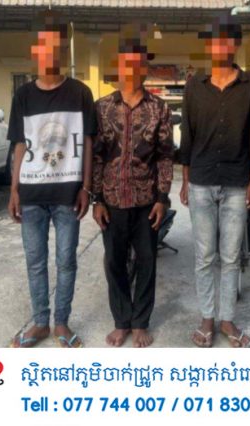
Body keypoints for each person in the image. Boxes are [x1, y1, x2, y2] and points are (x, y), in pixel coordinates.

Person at [7, 10, 96, 348]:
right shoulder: (23, 96)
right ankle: (40, 322)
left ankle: (61, 322)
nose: (50, 53)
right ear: (36, 52)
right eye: (43, 46)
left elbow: (87, 141)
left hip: (67, 194)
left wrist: (86, 187)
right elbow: (19, 144)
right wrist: (14, 190)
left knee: (66, 261)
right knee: (35, 261)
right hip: (31, 195)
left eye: (56, 46)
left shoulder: (80, 93)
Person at [179, 16, 250, 348]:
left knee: (230, 257)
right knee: (204, 256)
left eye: (227, 40)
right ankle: (206, 318)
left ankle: (227, 319)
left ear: (235, 44)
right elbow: (187, 134)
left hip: (236, 181)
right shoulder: (194, 87)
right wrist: (185, 180)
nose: (221, 47)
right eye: (215, 41)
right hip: (200, 181)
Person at [92, 24, 174, 348]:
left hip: (146, 201)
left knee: (146, 261)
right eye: (128, 62)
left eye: (139, 63)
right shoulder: (102, 108)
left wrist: (162, 198)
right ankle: (121, 321)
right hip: (112, 200)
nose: (133, 69)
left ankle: (140, 322)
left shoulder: (159, 108)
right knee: (114, 262)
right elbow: (97, 156)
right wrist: (97, 199)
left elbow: (165, 156)